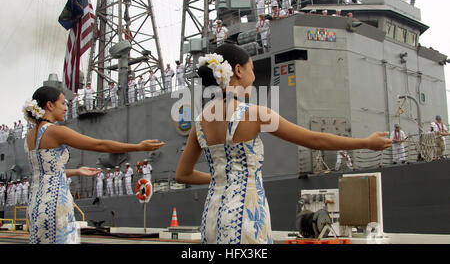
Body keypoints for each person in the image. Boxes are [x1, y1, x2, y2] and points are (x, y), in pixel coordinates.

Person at [175, 44, 392, 244]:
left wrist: (223, 176)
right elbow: (315, 139)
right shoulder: (254, 114)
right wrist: (365, 142)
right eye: (251, 69)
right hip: (246, 215)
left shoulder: (200, 122)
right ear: (238, 71)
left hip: (212, 216)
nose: (253, 76)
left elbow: (182, 175)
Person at [23, 86, 165, 244]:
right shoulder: (55, 131)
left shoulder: (30, 136)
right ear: (50, 105)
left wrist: (77, 171)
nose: (65, 108)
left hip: (37, 204)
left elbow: (46, 171)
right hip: (56, 204)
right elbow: (100, 145)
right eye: (62, 103)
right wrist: (138, 147)